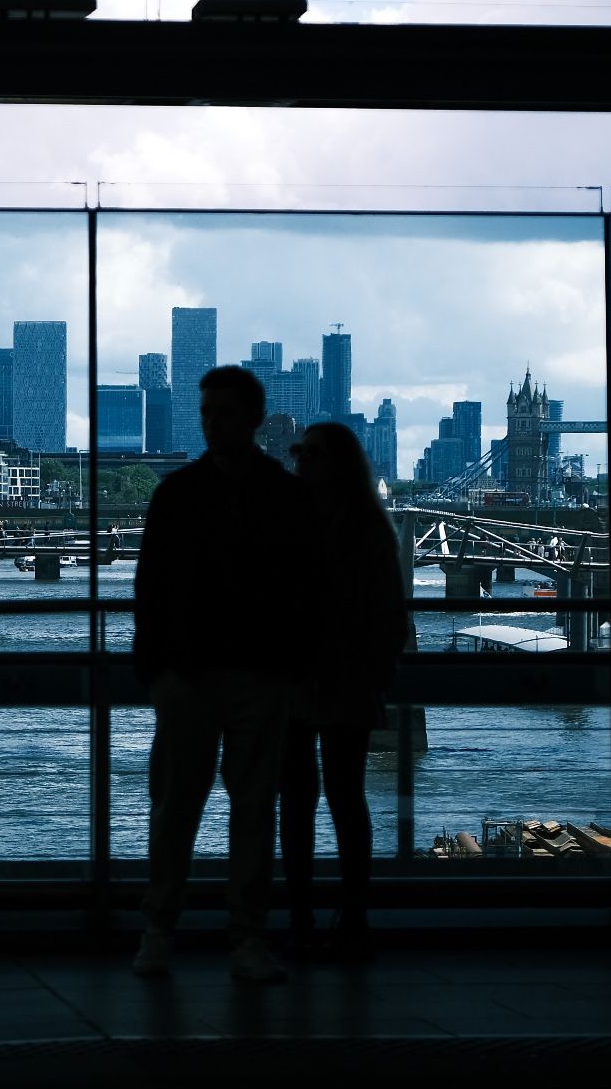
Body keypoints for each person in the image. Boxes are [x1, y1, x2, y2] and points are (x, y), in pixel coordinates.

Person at [131, 366, 321, 984]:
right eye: (207, 411)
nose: (212, 422)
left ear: (253, 419)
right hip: (216, 675)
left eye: (223, 412)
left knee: (198, 807)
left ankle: (173, 931)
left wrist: (152, 671)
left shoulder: (180, 493)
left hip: (222, 675)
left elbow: (152, 591)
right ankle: (227, 936)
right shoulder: (284, 497)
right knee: (216, 808)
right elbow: (150, 589)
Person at [279, 422, 412, 962]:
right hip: (329, 679)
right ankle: (334, 916)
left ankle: (319, 918)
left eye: (310, 454)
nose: (300, 462)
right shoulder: (368, 529)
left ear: (337, 462)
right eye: (298, 453)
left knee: (319, 800)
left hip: (321, 677)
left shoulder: (299, 525)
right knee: (334, 801)